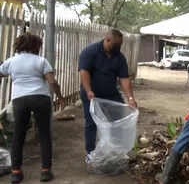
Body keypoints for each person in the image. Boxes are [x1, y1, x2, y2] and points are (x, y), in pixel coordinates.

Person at [0, 33, 65, 183]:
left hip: (19, 99)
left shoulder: (11, 62)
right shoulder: (41, 61)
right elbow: (53, 82)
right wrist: (60, 97)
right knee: (44, 134)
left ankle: (16, 172)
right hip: (40, 98)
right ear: (36, 46)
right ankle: (45, 171)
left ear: (18, 45)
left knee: (18, 134)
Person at [78, 29, 137, 163]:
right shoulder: (90, 52)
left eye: (120, 46)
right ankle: (91, 153)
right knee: (91, 122)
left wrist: (130, 98)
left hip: (111, 94)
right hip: (91, 96)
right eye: (116, 45)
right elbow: (84, 72)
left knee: (120, 119)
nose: (118, 48)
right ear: (108, 40)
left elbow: (124, 78)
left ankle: (117, 151)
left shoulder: (119, 57)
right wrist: (88, 91)